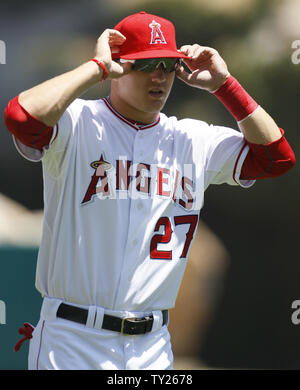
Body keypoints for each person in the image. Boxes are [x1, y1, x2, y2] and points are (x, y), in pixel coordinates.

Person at [4, 11, 295, 370]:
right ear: (120, 65)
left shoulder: (192, 139)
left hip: (152, 347)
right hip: (73, 339)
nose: (159, 75)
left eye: (168, 64)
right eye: (147, 64)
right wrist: (94, 67)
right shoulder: (78, 123)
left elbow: (275, 159)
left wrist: (225, 85)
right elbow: (21, 117)